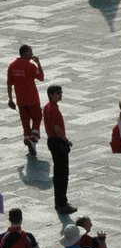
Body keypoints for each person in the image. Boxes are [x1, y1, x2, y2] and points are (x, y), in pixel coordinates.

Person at [43, 83, 75, 213]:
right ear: (51, 94)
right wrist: (66, 140)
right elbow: (57, 128)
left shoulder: (47, 107)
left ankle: (60, 202)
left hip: (52, 141)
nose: (60, 95)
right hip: (58, 142)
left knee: (58, 174)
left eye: (61, 92)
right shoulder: (53, 109)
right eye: (58, 93)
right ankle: (62, 204)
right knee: (62, 174)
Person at [6, 46, 44, 157]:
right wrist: (38, 63)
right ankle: (33, 139)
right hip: (32, 99)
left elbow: (9, 84)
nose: (32, 55)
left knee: (25, 123)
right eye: (30, 52)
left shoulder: (12, 66)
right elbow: (41, 77)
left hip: (21, 101)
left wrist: (10, 99)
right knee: (37, 118)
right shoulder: (30, 66)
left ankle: (29, 143)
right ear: (25, 53)